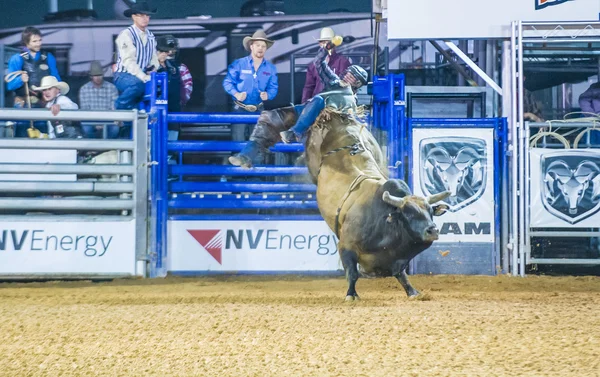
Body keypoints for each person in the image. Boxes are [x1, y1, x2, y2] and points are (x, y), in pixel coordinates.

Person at [229, 43, 367, 168]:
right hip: (308, 111)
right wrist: (325, 50)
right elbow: (319, 63)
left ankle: (295, 132)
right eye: (349, 74)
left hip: (327, 122)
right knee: (269, 118)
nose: (349, 78)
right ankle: (246, 156)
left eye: (354, 78)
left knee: (318, 99)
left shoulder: (351, 102)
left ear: (357, 84)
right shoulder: (334, 81)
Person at [222, 29, 278, 140]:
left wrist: (268, 95)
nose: (260, 48)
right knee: (238, 141)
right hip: (240, 108)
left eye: (263, 46)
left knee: (257, 142)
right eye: (258, 45)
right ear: (251, 46)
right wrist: (236, 94)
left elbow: (273, 87)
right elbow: (227, 82)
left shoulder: (270, 68)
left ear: (266, 48)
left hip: (259, 109)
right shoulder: (239, 64)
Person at [113, 1, 158, 111]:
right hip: (123, 75)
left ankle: (138, 112)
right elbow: (129, 61)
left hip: (141, 75)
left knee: (156, 86)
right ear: (134, 17)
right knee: (137, 85)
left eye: (147, 15)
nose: (145, 18)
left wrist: (153, 69)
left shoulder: (151, 36)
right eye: (141, 15)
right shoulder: (126, 34)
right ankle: (119, 108)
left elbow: (153, 57)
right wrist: (143, 77)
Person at [5, 26, 61, 107]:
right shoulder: (17, 58)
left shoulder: (48, 57)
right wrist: (21, 79)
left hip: (44, 103)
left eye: (40, 40)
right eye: (34, 41)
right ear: (26, 43)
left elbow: (56, 79)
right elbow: (10, 86)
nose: (38, 44)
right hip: (23, 103)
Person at [156, 34, 193, 140]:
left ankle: (171, 156)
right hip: (154, 112)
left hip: (173, 111)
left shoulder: (181, 68)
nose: (170, 53)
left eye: (172, 50)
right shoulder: (150, 67)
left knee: (172, 142)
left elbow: (188, 89)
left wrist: (180, 100)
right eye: (166, 50)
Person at [301, 27, 351, 104]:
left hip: (336, 103)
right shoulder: (313, 65)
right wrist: (304, 105)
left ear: (334, 44)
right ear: (319, 44)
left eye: (328, 42)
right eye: (322, 42)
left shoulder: (343, 62)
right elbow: (309, 87)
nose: (325, 45)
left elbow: (345, 85)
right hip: (317, 102)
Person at [78, 61, 120, 138]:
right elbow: (85, 110)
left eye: (99, 75)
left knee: (115, 128)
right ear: (91, 76)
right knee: (86, 127)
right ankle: (92, 148)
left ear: (103, 75)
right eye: (95, 75)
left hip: (108, 119)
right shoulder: (84, 89)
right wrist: (95, 123)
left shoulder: (111, 87)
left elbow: (114, 108)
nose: (98, 78)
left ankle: (108, 148)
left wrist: (105, 121)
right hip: (90, 119)